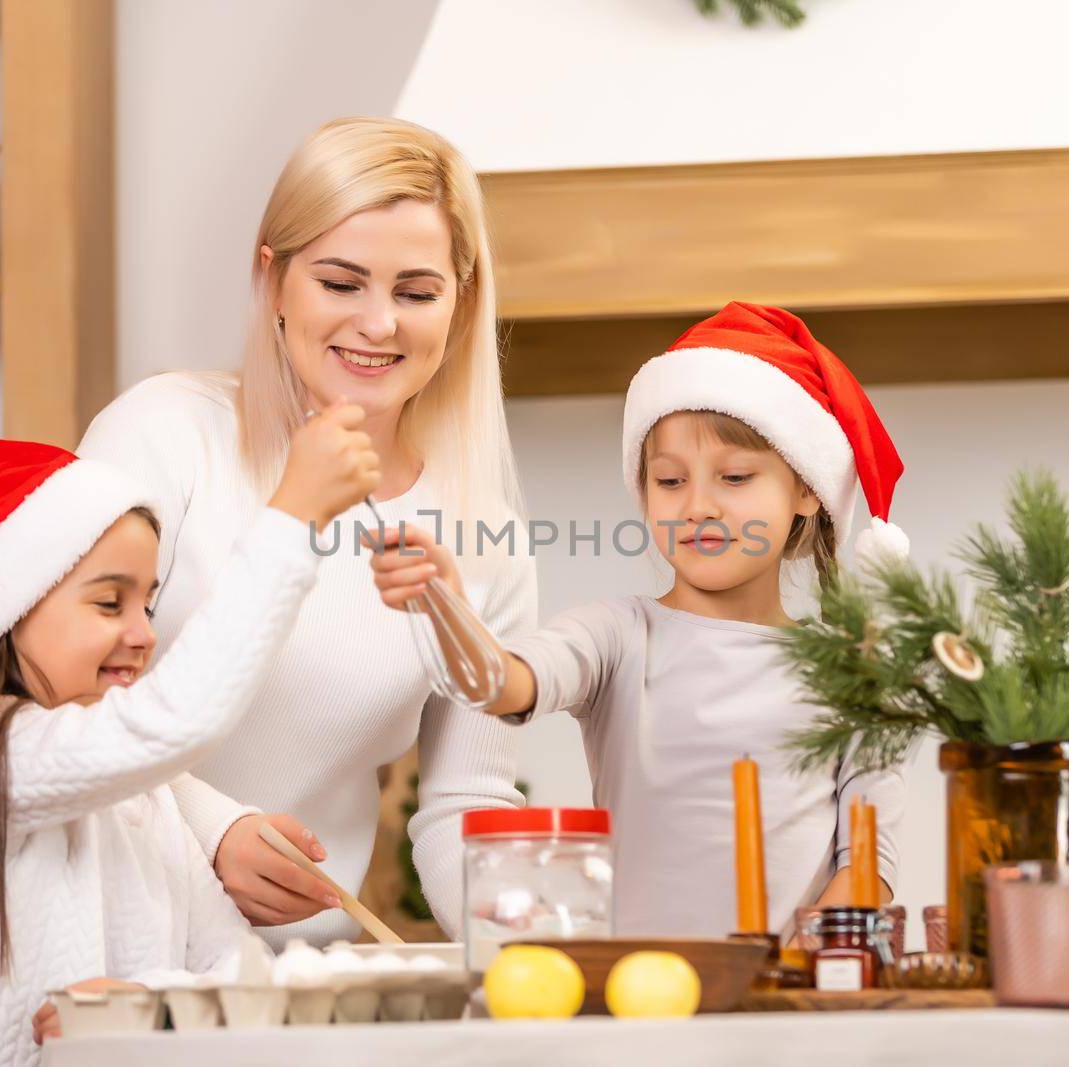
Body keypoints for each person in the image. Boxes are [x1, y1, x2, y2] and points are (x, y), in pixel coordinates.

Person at [77, 117, 534, 945]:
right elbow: (51, 699)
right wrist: (213, 828)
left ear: (460, 305)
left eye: (417, 292)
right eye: (341, 282)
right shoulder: (163, 436)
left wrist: (535, 959)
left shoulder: (485, 536)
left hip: (296, 979)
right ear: (275, 280)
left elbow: (465, 801)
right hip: (112, 943)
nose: (379, 323)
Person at [0, 417, 376, 1066]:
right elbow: (174, 722)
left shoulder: (145, 801)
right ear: (13, 608)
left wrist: (149, 1009)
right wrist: (293, 517)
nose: (143, 631)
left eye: (148, 603)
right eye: (111, 603)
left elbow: (233, 968)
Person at [372, 302, 909, 936]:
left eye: (735, 477)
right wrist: (449, 611)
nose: (698, 506)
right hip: (642, 1001)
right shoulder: (616, 637)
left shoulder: (856, 673)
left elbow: (869, 867)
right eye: (669, 481)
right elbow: (504, 687)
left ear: (805, 489)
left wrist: (792, 970)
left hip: (785, 1003)